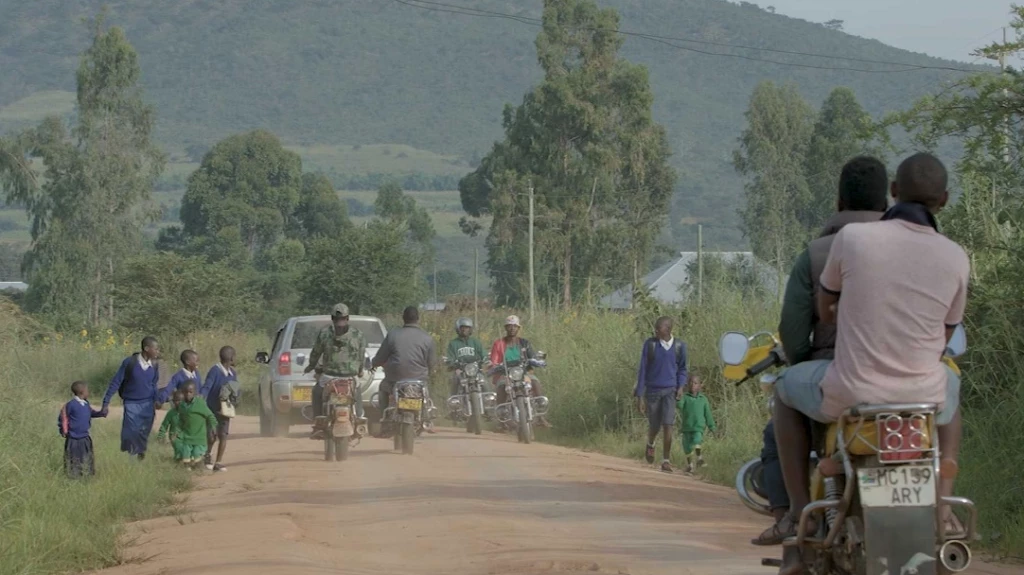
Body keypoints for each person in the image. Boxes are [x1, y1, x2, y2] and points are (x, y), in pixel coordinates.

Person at [772, 153, 968, 574]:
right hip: (923, 399)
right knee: (952, 388)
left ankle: (799, 515)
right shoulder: (956, 257)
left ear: (895, 191)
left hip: (854, 392)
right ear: (945, 200)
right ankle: (944, 506)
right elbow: (946, 336)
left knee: (785, 388)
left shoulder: (853, 240)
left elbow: (824, 310)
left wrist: (837, 315)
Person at [753, 155, 889, 546]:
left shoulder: (817, 253)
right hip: (912, 380)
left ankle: (797, 515)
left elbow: (794, 334)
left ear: (839, 200)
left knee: (784, 396)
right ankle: (943, 513)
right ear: (888, 199)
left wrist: (801, 359)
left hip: (837, 375)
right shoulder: (917, 246)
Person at [371, 306, 438, 435]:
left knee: (382, 388)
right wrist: (431, 372)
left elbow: (381, 357)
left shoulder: (393, 335)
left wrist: (374, 364)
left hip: (395, 378)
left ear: (403, 318)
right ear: (418, 319)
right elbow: (432, 363)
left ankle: (385, 420)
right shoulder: (427, 338)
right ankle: (427, 420)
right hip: (419, 380)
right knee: (426, 393)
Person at [305, 303, 367, 439]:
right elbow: (361, 356)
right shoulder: (358, 335)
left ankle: (318, 422)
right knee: (357, 392)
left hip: (329, 377)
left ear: (332, 318)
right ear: (348, 318)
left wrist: (310, 366)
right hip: (351, 377)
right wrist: (360, 370)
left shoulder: (325, 333)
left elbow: (316, 353)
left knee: (316, 392)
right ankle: (359, 419)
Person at [634, 316, 687, 473]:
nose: (656, 330)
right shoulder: (650, 345)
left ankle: (666, 461)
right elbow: (643, 370)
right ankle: (650, 442)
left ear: (668, 329)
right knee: (655, 426)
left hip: (670, 390)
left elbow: (683, 368)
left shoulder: (679, 346)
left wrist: (681, 387)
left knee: (668, 425)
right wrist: (639, 396)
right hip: (653, 391)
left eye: (660, 328)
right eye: (656, 328)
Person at [101, 336, 161, 460]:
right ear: (146, 348)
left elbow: (153, 384)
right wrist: (106, 401)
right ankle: (132, 458)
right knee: (132, 431)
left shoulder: (154, 365)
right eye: (156, 349)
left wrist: (157, 400)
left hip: (148, 403)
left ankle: (140, 451)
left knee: (144, 430)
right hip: (131, 403)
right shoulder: (130, 362)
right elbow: (116, 381)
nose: (157, 352)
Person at [488, 315, 550, 428]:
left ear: (518, 328)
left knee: (535, 382)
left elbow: (532, 356)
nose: (512, 328)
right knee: (501, 387)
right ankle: (501, 421)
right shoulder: (499, 344)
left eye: (515, 326)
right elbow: (494, 360)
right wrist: (494, 366)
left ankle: (540, 417)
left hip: (523, 373)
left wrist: (537, 361)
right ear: (505, 328)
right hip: (505, 374)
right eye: (509, 326)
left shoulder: (524, 343)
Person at [199, 346, 237, 472]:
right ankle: (207, 456)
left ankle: (218, 462)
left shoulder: (233, 373)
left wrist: (235, 401)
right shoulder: (215, 371)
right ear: (231, 358)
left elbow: (236, 389)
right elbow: (208, 385)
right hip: (212, 409)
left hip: (225, 410)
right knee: (211, 435)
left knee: (223, 435)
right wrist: (201, 396)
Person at [58, 381, 106, 478]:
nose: (88, 392)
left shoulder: (86, 404)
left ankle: (86, 476)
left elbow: (91, 413)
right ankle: (73, 477)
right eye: (87, 390)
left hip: (85, 437)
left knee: (87, 458)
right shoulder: (71, 405)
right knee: (73, 459)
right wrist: (64, 431)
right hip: (73, 438)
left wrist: (101, 413)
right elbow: (63, 418)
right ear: (82, 392)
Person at [677, 372, 716, 474]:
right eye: (690, 382)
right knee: (687, 447)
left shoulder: (703, 399)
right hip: (686, 428)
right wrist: (678, 398)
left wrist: (712, 427)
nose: (692, 385)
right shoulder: (685, 397)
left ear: (699, 385)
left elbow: (708, 414)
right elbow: (680, 406)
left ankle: (699, 458)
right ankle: (690, 465)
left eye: (695, 383)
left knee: (697, 440)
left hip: (698, 427)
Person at [175, 382, 217, 468]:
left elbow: (210, 416)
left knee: (197, 456)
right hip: (187, 436)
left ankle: (199, 467)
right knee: (185, 456)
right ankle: (187, 469)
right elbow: (181, 419)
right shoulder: (182, 405)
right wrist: (177, 430)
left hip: (199, 437)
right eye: (185, 392)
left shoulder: (200, 403)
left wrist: (213, 427)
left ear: (195, 392)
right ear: (182, 392)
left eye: (190, 392)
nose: (188, 394)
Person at [445, 317, 487, 396]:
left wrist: (485, 359)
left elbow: (483, 354)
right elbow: (450, 358)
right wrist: (453, 365)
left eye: (467, 328)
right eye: (462, 328)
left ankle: (489, 399)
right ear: (458, 329)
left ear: (470, 329)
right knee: (455, 379)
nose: (464, 330)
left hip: (475, 370)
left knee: (483, 380)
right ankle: (454, 401)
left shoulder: (475, 342)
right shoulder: (453, 343)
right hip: (461, 370)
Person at [156, 390, 186, 462]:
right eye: (176, 401)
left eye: (180, 401)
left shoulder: (188, 412)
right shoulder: (171, 413)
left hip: (185, 435)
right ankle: (177, 460)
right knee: (178, 448)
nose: (178, 403)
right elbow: (164, 425)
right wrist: (161, 436)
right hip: (174, 435)